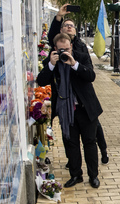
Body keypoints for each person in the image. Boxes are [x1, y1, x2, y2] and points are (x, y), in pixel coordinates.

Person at [37, 33, 102, 188]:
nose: (64, 52)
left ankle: (93, 176)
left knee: (90, 143)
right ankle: (75, 175)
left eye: (67, 49)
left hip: (85, 108)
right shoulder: (52, 60)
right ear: (55, 49)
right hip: (67, 111)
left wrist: (74, 64)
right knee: (71, 144)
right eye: (61, 50)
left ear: (71, 46)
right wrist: (51, 65)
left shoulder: (81, 56)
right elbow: (41, 81)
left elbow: (91, 76)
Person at [47, 3, 109, 164]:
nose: (68, 28)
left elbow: (89, 73)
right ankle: (73, 164)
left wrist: (74, 63)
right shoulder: (56, 46)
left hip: (83, 99)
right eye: (65, 25)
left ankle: (103, 150)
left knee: (94, 132)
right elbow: (52, 37)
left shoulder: (80, 47)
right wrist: (59, 16)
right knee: (71, 138)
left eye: (71, 26)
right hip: (66, 103)